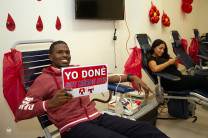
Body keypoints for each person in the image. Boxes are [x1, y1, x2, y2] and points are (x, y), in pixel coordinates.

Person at [15, 40, 168, 138]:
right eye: (60, 52)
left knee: (146, 130)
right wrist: (49, 104)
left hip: (96, 117)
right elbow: (21, 112)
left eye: (67, 52)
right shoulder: (43, 80)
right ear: (51, 57)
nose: (65, 55)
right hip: (73, 127)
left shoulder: (77, 72)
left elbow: (106, 77)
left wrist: (130, 77)